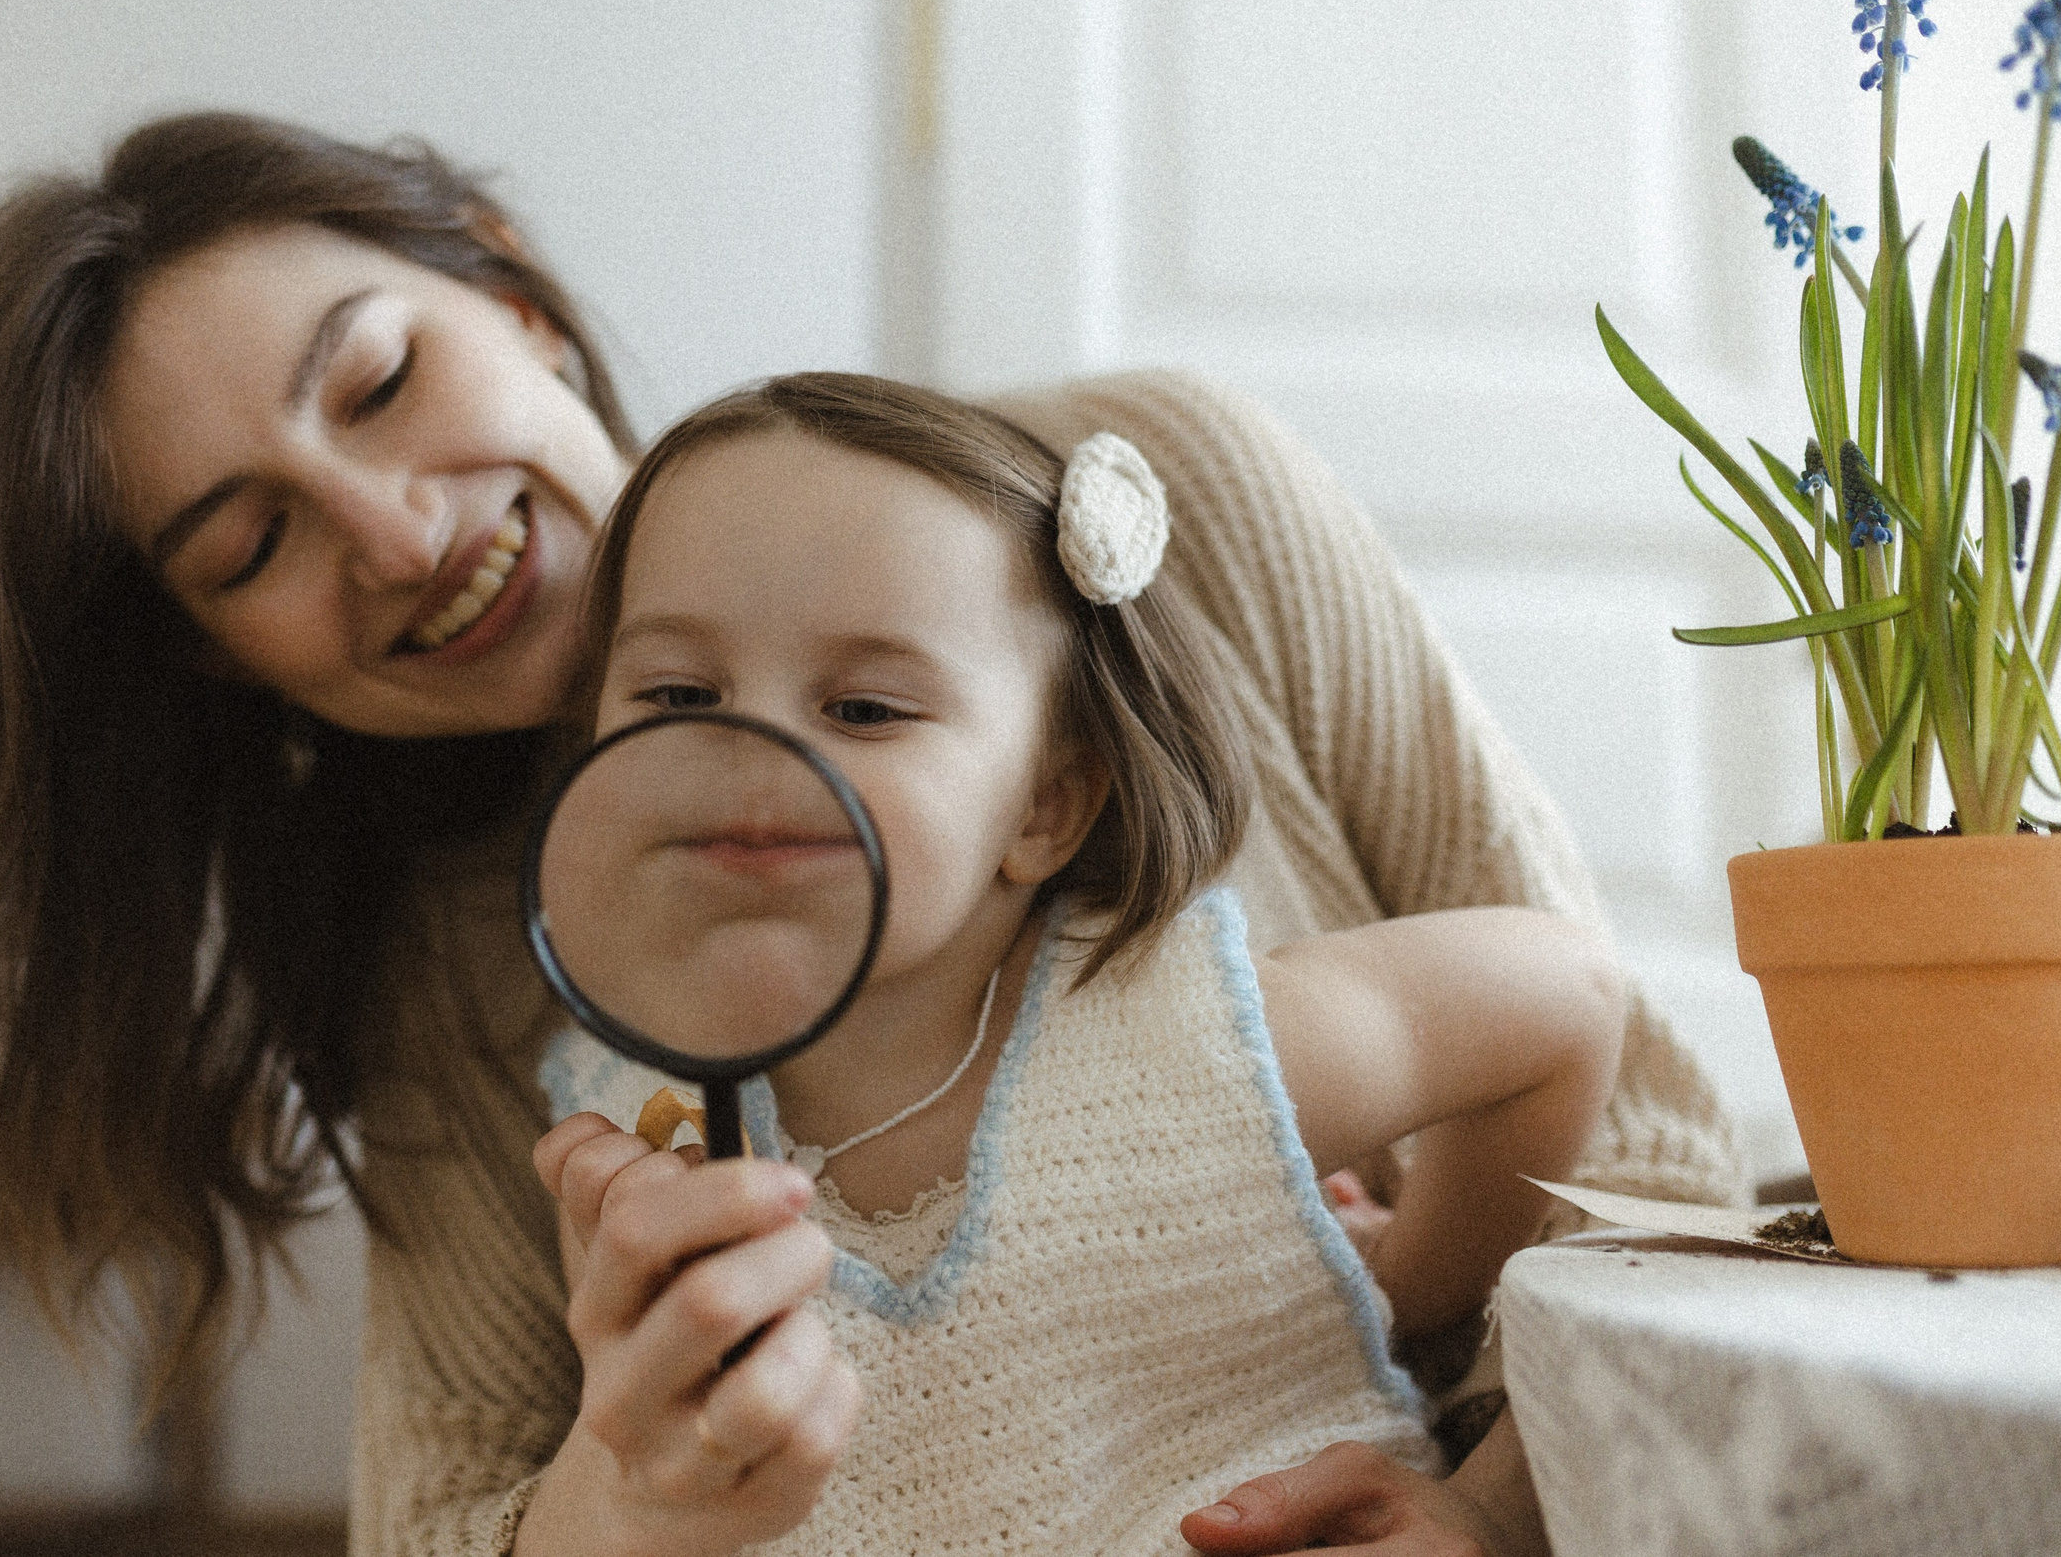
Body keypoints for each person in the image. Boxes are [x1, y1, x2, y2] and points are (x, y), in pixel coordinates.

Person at [0, 112, 1740, 1557]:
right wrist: (631, 1483)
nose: (398, 530)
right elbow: (446, 1523)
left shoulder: (1151, 508)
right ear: (216, 665)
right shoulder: (463, 994)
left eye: (377, 379)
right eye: (250, 543)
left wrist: (1488, 1507)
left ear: (510, 295)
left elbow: (1649, 1149)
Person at [527, 373, 1627, 1554]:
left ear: (1045, 808)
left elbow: (1566, 1002)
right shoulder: (631, 1126)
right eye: (680, 693)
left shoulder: (1192, 1041)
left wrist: (1413, 1298)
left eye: (864, 708)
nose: (754, 757)